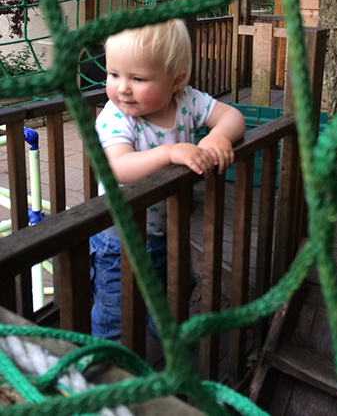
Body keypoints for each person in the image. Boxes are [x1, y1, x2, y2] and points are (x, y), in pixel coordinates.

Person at [90, 18, 246, 340]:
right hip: (120, 240)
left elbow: (232, 116)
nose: (122, 88)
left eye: (138, 78)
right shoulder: (115, 117)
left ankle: (161, 352)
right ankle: (108, 374)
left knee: (172, 296)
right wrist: (170, 153)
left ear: (176, 80)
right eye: (114, 74)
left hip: (168, 233)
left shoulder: (187, 101)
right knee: (115, 315)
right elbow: (118, 167)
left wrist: (218, 138)